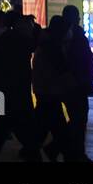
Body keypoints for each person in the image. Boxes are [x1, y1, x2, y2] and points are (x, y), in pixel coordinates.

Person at [0, 10, 41, 161]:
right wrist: (36, 31)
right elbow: (32, 44)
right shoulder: (15, 38)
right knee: (25, 134)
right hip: (15, 95)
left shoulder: (2, 37)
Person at [32, 15, 72, 161]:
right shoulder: (52, 46)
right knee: (58, 127)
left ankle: (42, 149)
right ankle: (57, 151)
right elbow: (62, 69)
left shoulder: (44, 43)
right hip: (50, 91)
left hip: (44, 90)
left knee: (46, 125)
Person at [60, 4, 93, 161]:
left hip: (73, 83)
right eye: (77, 16)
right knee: (79, 119)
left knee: (77, 119)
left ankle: (70, 151)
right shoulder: (76, 36)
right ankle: (74, 152)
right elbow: (82, 59)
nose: (80, 19)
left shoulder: (63, 36)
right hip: (78, 83)